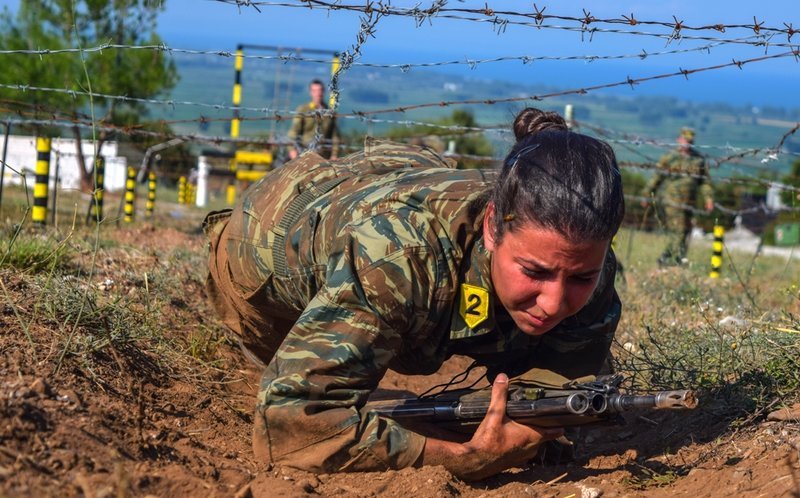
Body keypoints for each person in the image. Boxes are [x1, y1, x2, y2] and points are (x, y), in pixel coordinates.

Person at [204, 108, 624, 480]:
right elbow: (289, 424)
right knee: (321, 387)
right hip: (268, 244)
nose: (554, 302)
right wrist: (461, 457)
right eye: (535, 271)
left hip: (399, 190)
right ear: (492, 227)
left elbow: (566, 374)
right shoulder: (398, 260)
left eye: (581, 278)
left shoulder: (582, 261)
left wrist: (535, 417)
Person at [642, 127, 714, 266]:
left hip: (689, 202)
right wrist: (647, 194)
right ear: (679, 139)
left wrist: (709, 199)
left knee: (685, 231)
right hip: (671, 200)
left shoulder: (698, 160)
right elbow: (657, 177)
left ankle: (666, 257)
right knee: (679, 230)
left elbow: (705, 181)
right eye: (685, 140)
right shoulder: (670, 157)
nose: (687, 143)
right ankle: (676, 260)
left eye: (690, 141)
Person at [287, 79, 340, 160]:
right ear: (310, 92)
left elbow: (335, 136)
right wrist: (292, 151)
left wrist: (334, 155)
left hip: (324, 156)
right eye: (314, 90)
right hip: (303, 154)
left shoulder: (330, 113)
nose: (318, 93)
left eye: (320, 90)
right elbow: (293, 132)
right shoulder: (303, 110)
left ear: (324, 91)